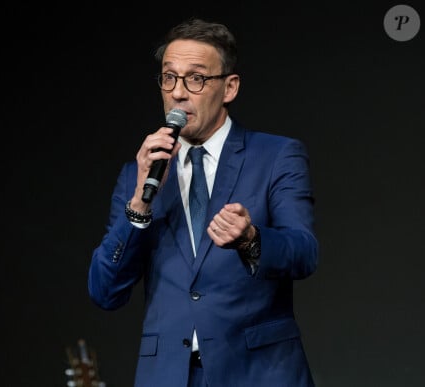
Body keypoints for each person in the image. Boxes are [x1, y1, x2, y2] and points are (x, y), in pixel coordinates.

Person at [88, 17, 318, 387]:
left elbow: (304, 253)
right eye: (169, 78)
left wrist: (252, 239)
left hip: (257, 372)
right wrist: (139, 205)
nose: (179, 93)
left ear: (229, 87)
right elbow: (105, 291)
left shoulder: (275, 155)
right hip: (168, 375)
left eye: (196, 78)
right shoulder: (139, 173)